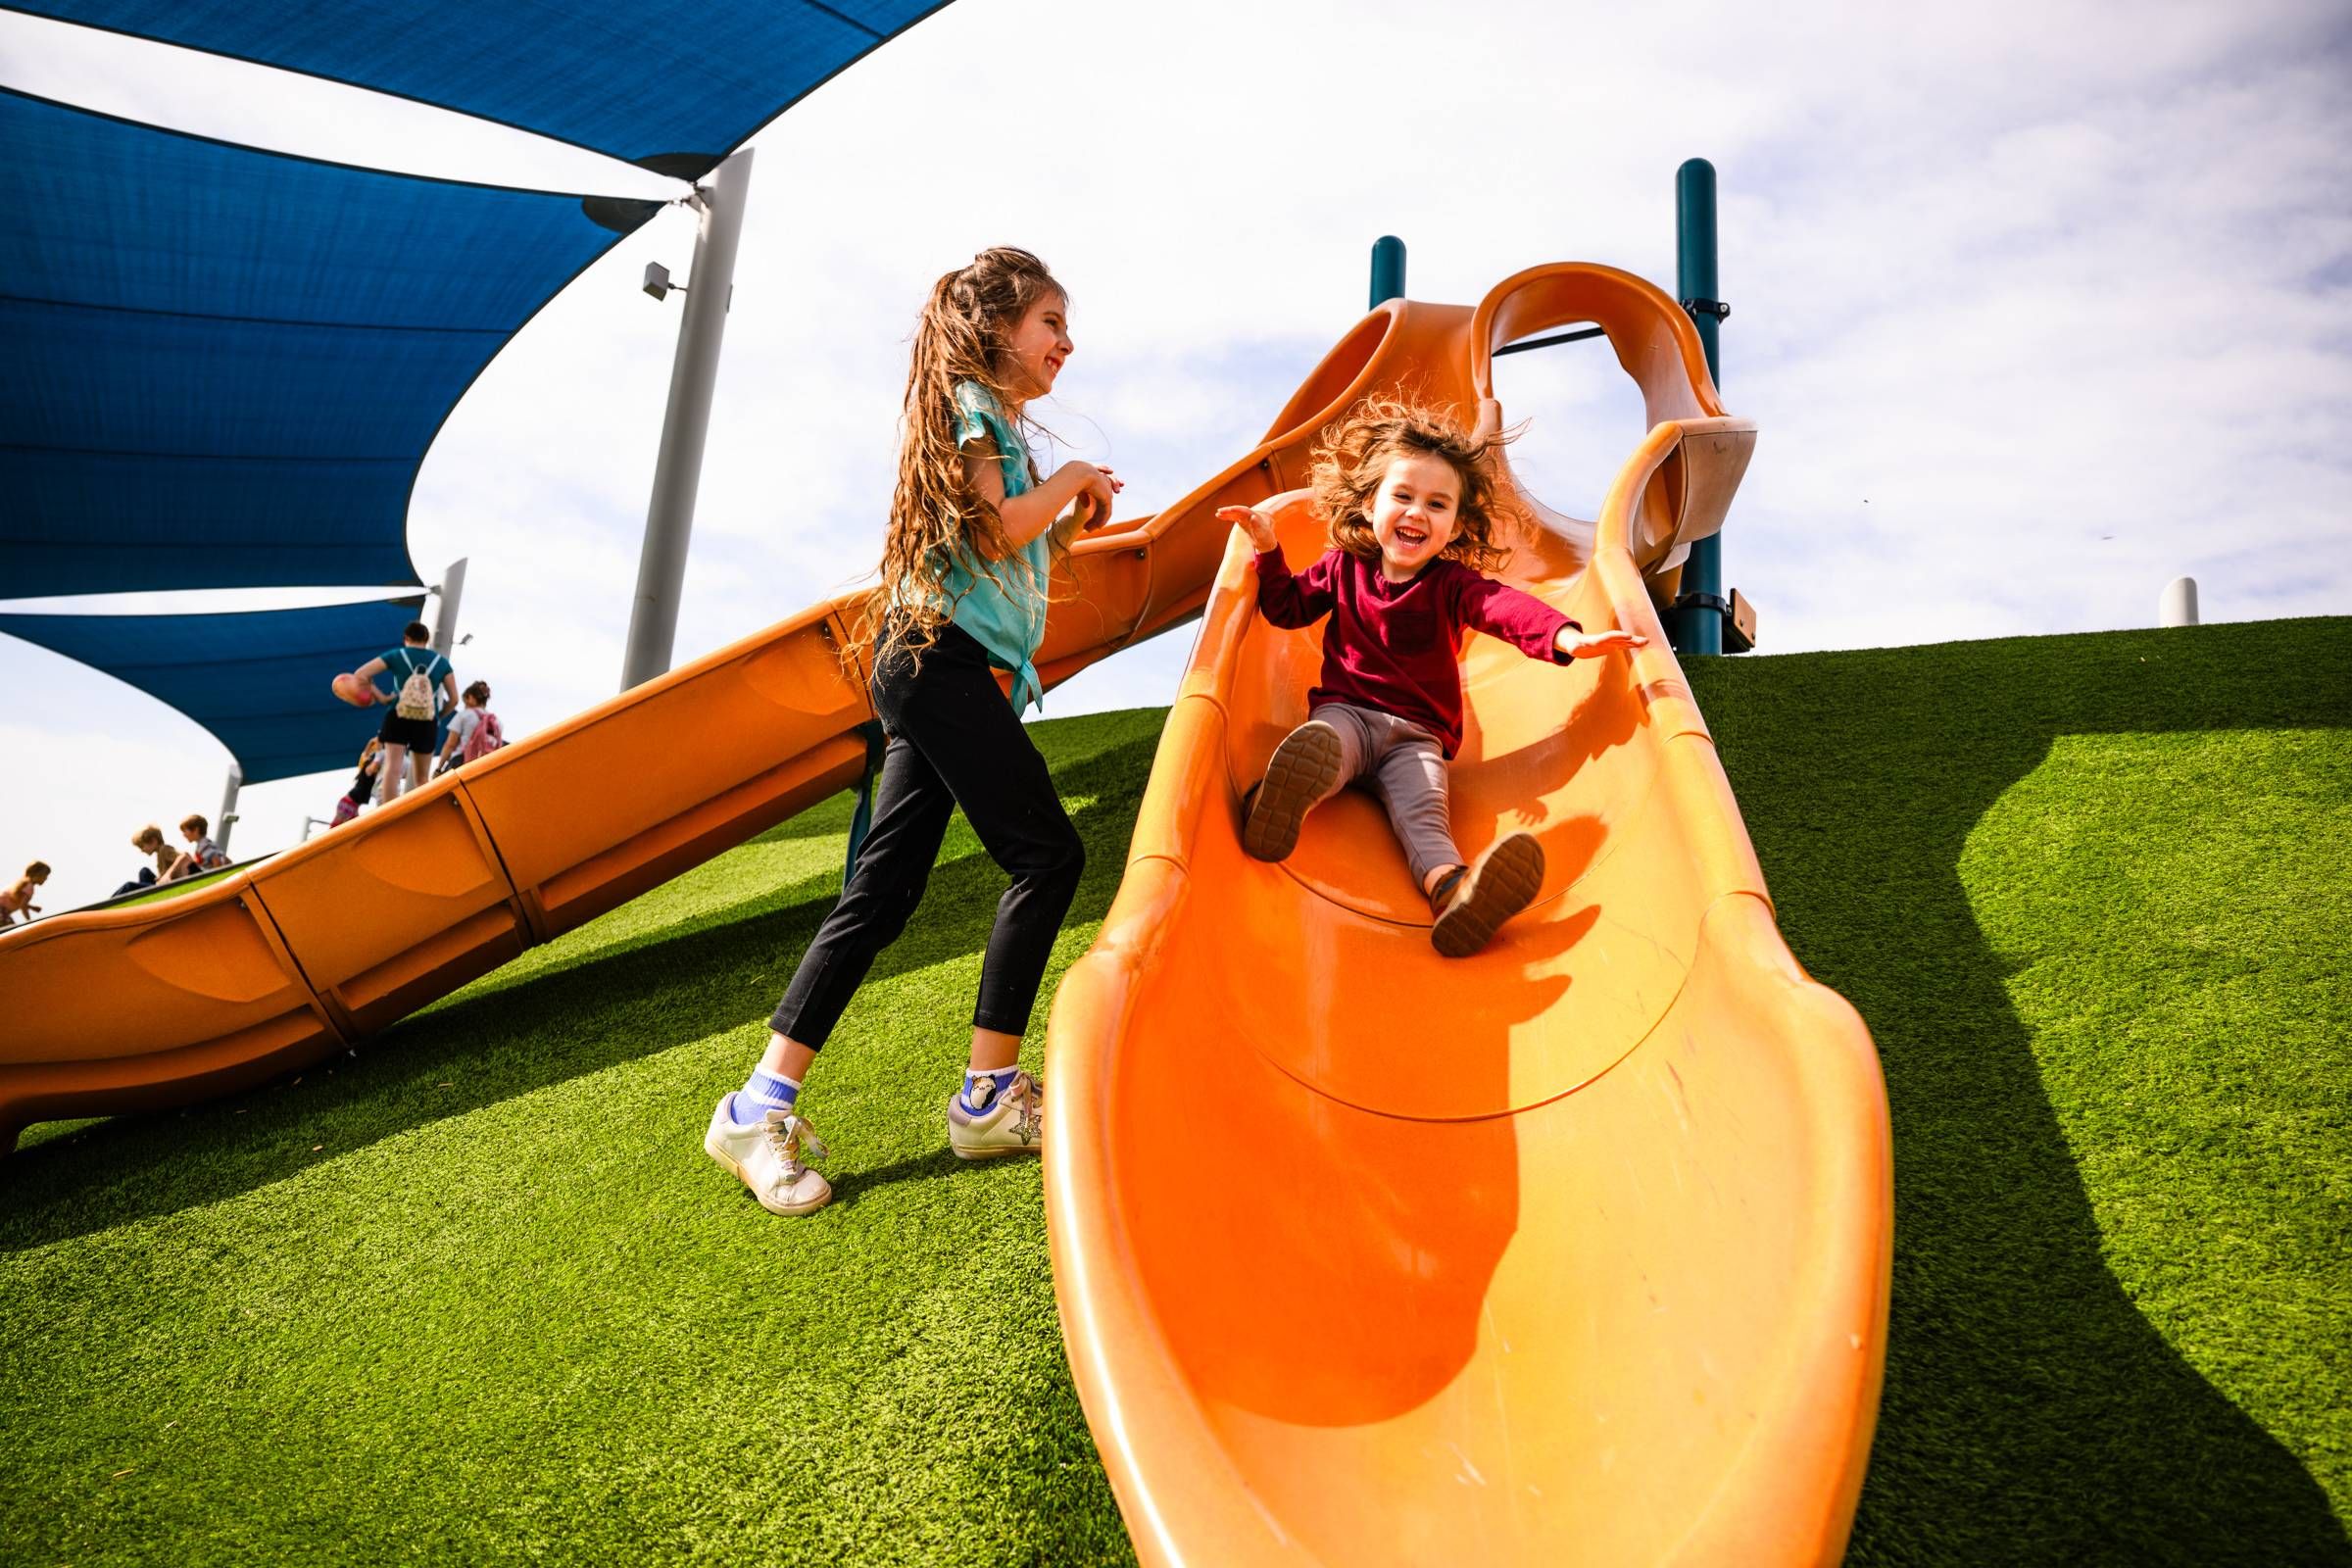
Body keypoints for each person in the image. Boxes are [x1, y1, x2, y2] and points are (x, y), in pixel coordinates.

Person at [703, 247, 1119, 1218]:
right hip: (938, 662)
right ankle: (985, 1097)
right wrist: (1065, 485)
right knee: (1047, 855)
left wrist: (1063, 514)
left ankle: (758, 1103)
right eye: (1051, 321)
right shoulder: (972, 406)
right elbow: (989, 532)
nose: (1067, 341)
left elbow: (1011, 542)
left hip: (939, 665)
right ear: (995, 330)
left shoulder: (999, 426)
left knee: (882, 895)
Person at [1217, 400, 1645, 957]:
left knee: (1425, 812)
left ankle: (1451, 889)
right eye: (1403, 496)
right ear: (1369, 503)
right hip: (1346, 712)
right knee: (1327, 750)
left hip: (1416, 738)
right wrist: (1270, 551)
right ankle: (1273, 804)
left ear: (1457, 525)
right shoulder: (1343, 567)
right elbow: (1288, 608)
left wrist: (1567, 637)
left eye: (1436, 504)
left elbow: (1507, 610)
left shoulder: (1452, 585)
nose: (1417, 512)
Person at [349, 621, 456, 802]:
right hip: (426, 721)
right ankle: (424, 812)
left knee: (392, 769)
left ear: (406, 638)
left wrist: (382, 697)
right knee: (422, 777)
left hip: (398, 715)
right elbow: (454, 699)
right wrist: (437, 716)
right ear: (426, 639)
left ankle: (390, 813)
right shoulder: (441, 663)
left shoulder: (396, 655)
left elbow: (361, 674)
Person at [435, 681, 499, 775]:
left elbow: (450, 744)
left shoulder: (463, 716)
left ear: (470, 698)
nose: (465, 707)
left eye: (465, 703)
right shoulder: (495, 721)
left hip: (460, 763)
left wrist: (439, 768)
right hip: (486, 765)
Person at [113, 824, 178, 897]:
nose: (142, 850)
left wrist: (168, 874)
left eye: (142, 846)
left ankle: (109, 903)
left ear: (153, 841)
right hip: (161, 884)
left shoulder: (165, 849)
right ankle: (144, 895)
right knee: (144, 871)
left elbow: (182, 857)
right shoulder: (159, 853)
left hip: (167, 887)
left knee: (129, 886)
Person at [162, 814, 230, 882]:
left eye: (185, 831)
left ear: (196, 830)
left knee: (184, 856)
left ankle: (166, 877)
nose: (184, 834)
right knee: (187, 861)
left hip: (208, 876)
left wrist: (217, 879)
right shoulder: (203, 844)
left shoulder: (204, 844)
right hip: (204, 872)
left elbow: (216, 860)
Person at [332, 739, 382, 827]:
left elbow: (365, 753)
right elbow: (375, 765)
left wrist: (372, 742)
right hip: (348, 803)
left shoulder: (366, 763)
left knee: (356, 828)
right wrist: (379, 749)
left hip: (353, 805)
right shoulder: (368, 768)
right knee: (336, 827)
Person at [0, 860, 48, 926]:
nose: (46, 879)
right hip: (2, 911)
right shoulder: (29, 887)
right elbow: (23, 906)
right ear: (38, 875)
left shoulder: (24, 883)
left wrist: (31, 907)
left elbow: (19, 902)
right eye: (45, 876)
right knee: (11, 930)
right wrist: (29, 921)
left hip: (3, 911)